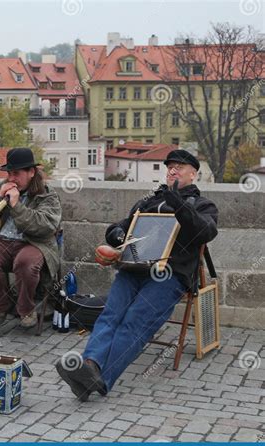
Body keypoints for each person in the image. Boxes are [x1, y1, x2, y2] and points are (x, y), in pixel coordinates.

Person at [56, 149, 218, 401]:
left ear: (193, 174)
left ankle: (100, 377)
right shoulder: (149, 201)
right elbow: (118, 228)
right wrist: (118, 238)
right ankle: (90, 365)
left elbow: (205, 232)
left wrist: (178, 203)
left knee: (134, 321)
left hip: (169, 275)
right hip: (134, 267)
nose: (172, 170)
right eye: (170, 166)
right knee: (110, 314)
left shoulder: (203, 205)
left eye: (179, 167)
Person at [0, 148, 62, 329]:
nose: (11, 178)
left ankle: (26, 309)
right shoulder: (2, 187)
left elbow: (43, 226)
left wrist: (16, 206)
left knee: (25, 262)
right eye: (9, 173)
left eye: (16, 173)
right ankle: (0, 307)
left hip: (34, 242)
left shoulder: (47, 195)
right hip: (3, 240)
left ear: (31, 172)